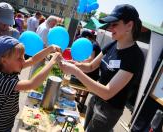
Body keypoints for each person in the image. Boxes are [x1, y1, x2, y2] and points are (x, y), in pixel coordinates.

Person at [58, 4, 145, 132]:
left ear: (129, 25)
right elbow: (91, 66)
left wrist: (75, 70)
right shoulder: (113, 44)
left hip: (109, 110)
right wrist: (73, 64)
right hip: (95, 99)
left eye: (115, 24)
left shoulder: (135, 56)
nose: (110, 28)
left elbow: (107, 92)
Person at [0, 36, 61, 131]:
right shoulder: (3, 81)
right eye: (19, 58)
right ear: (4, 60)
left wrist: (50, 48)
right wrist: (52, 61)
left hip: (6, 125)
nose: (23, 60)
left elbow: (32, 60)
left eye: (23, 56)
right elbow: (31, 84)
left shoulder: (10, 69)